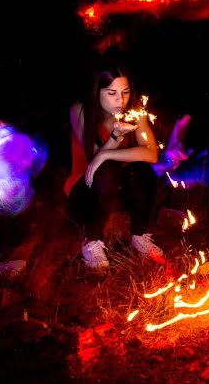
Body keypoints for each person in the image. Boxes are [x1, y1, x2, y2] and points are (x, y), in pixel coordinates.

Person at [65, 56, 164, 268]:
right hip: (85, 189)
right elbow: (94, 160)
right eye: (112, 93)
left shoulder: (135, 111)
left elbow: (152, 153)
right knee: (108, 169)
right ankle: (92, 240)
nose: (121, 100)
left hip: (117, 190)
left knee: (142, 170)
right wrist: (113, 139)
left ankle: (139, 235)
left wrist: (106, 153)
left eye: (125, 92)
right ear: (97, 92)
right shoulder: (80, 110)